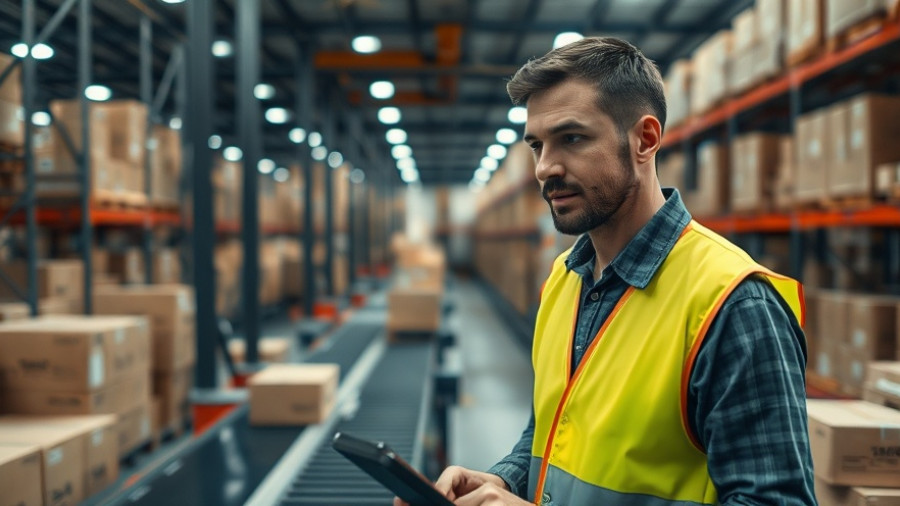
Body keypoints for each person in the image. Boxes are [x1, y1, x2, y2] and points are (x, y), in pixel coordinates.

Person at [396, 37, 815, 505]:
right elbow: (552, 434)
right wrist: (502, 481)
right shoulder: (564, 279)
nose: (544, 168)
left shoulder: (733, 305)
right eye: (537, 145)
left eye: (571, 138)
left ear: (645, 139)